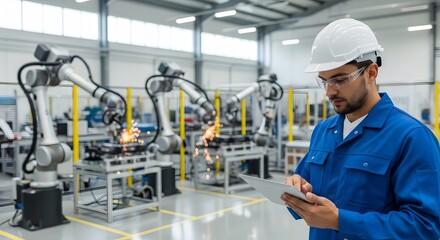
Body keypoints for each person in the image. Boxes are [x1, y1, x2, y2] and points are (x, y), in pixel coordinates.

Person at [281, 18, 440, 239]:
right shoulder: (323, 131)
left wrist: (340, 221)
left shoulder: (411, 138)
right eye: (324, 81)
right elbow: (305, 186)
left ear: (371, 73)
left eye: (339, 79)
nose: (329, 92)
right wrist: (296, 188)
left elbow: (425, 227)